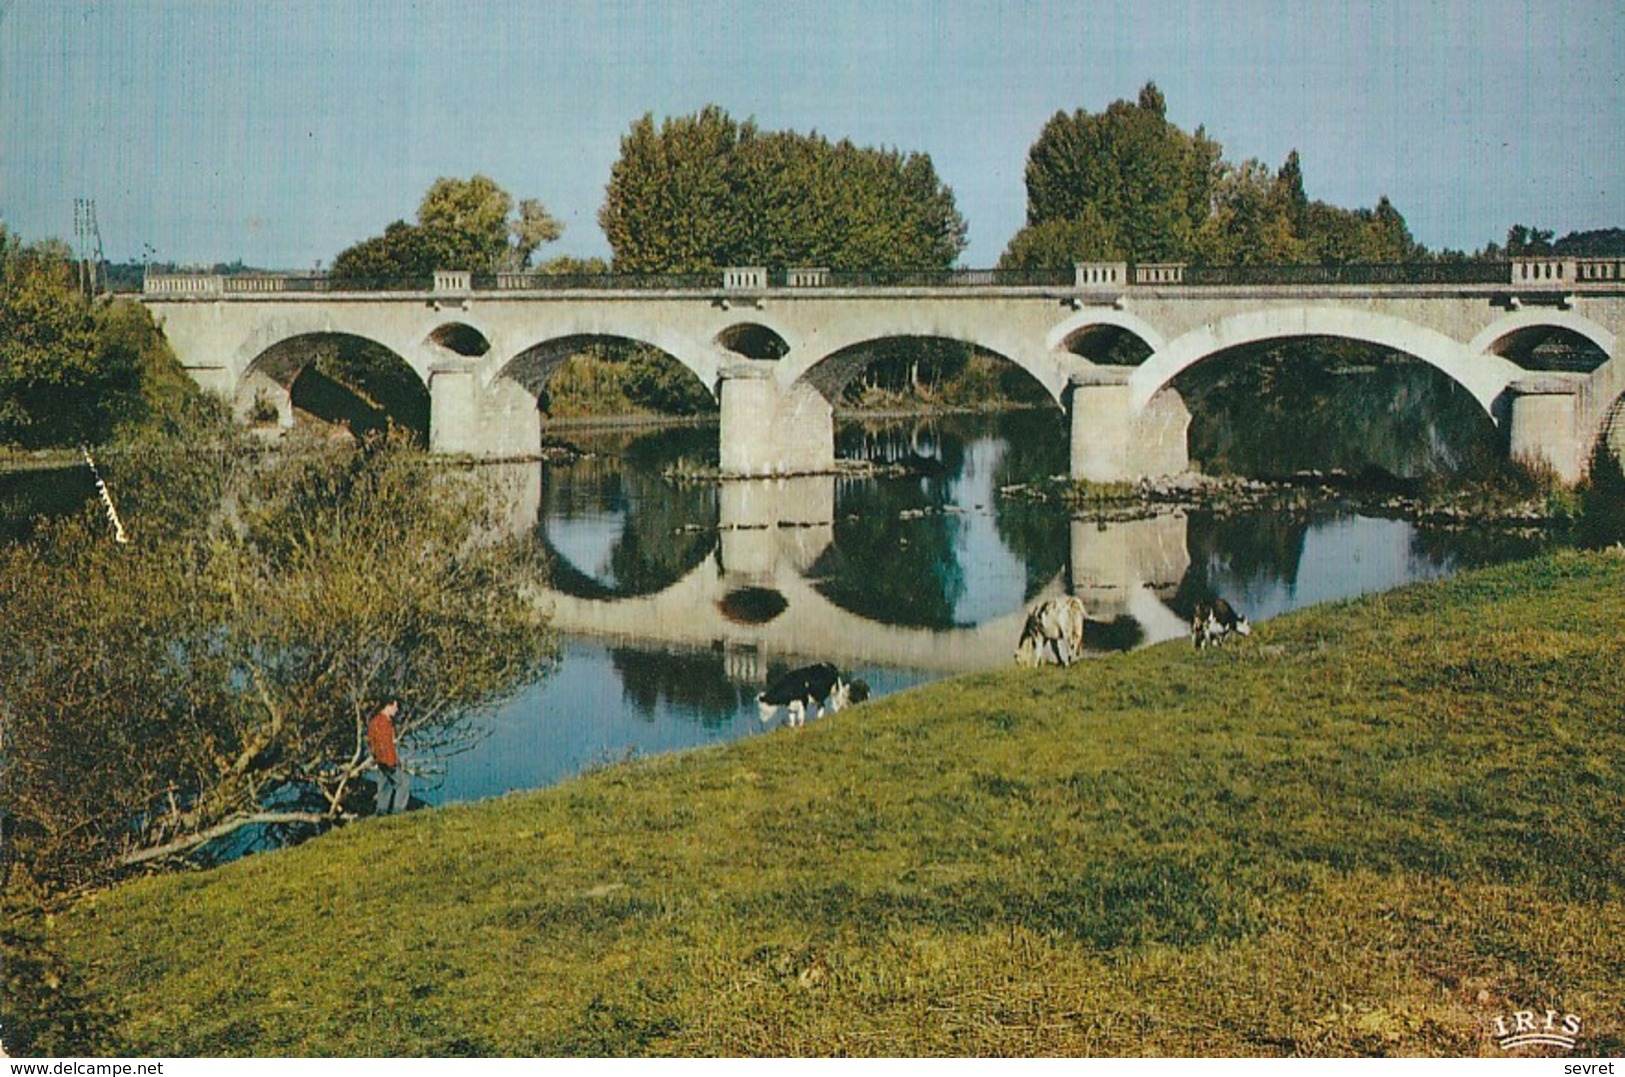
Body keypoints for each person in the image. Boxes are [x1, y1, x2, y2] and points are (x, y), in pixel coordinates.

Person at [366, 698, 410, 815]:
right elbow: (385, 744)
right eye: (395, 707)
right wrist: (392, 762)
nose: (396, 710)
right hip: (387, 760)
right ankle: (398, 812)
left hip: (380, 760)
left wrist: (376, 757)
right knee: (403, 783)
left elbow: (372, 741)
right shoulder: (383, 723)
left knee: (386, 786)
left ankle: (381, 812)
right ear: (388, 706)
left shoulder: (375, 722)